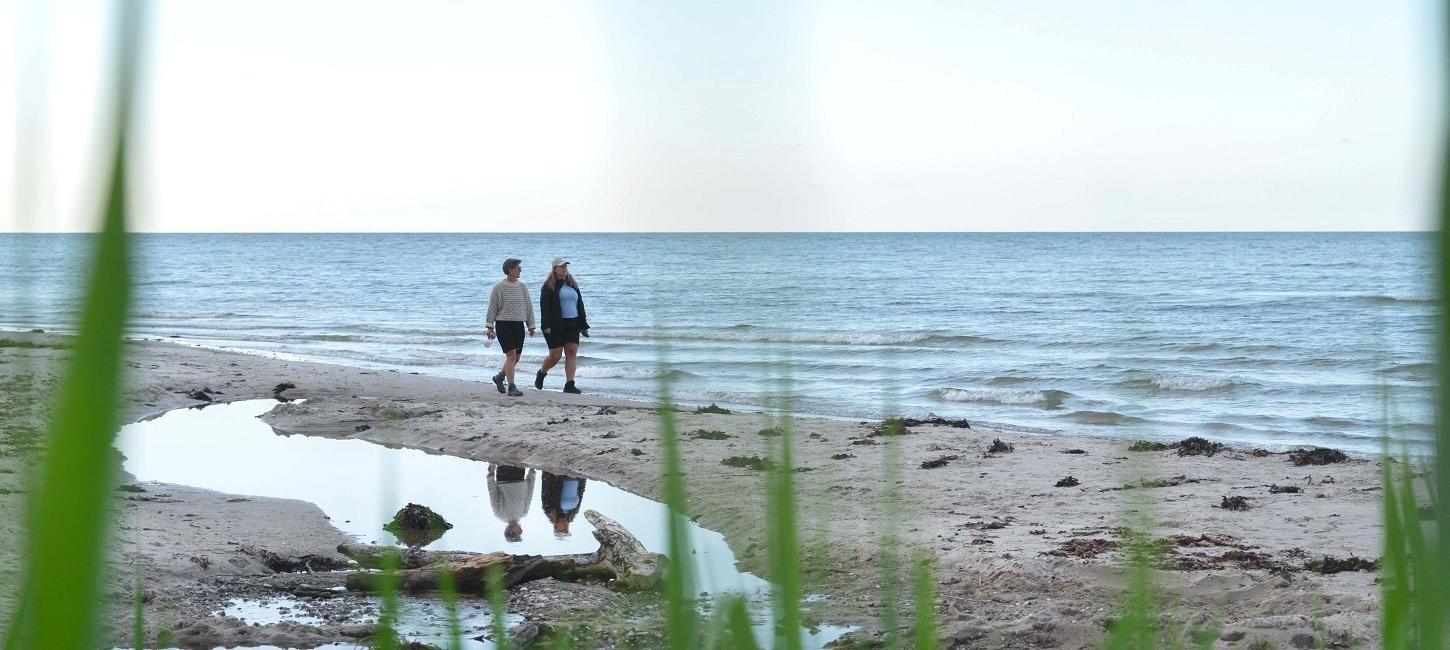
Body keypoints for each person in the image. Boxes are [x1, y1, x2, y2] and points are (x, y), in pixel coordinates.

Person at [535, 257, 590, 394]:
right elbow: (544, 307)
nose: (564, 269)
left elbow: (579, 305)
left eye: (566, 266)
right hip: (555, 325)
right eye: (561, 266)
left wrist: (583, 325)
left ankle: (569, 384)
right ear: (555, 269)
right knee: (555, 356)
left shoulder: (572, 284)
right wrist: (545, 325)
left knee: (572, 352)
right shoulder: (548, 286)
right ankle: (542, 373)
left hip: (573, 323)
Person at [485, 257, 535, 397]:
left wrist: (531, 325)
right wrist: (490, 327)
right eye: (517, 268)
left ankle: (500, 377)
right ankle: (512, 387)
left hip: (518, 325)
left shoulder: (522, 287)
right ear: (509, 269)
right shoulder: (499, 287)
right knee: (511, 355)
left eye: (520, 268)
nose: (520, 270)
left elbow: (528, 306)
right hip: (503, 324)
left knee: (516, 357)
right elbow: (492, 307)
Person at [487, 464, 535, 543]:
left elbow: (493, 494)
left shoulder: (499, 514)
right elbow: (529, 494)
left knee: (505, 455)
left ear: (511, 531)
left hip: (504, 477)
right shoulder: (523, 513)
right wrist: (532, 472)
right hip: (520, 477)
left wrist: (490, 474)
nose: (521, 530)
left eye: (519, 533)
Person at [540, 471, 587, 538]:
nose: (566, 528)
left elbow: (545, 487)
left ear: (556, 527)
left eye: (563, 530)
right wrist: (584, 477)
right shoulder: (573, 512)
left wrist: (548, 472)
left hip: (559, 473)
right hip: (576, 475)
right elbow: (580, 493)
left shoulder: (549, 509)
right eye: (566, 530)